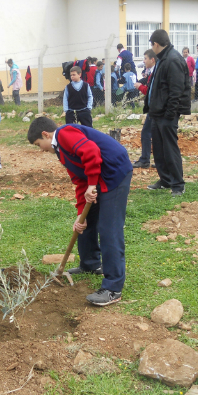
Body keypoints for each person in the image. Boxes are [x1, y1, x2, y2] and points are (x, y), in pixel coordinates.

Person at [28, 117, 132, 306]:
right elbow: (79, 180)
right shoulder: (61, 152)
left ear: (46, 134)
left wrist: (93, 184)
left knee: (109, 229)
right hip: (97, 179)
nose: (41, 149)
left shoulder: (65, 134)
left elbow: (91, 152)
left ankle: (113, 288)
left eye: (38, 144)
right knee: (86, 223)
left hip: (114, 174)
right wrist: (80, 212)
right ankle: (90, 263)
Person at [145, 29, 191, 197]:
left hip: (167, 115)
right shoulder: (162, 59)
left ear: (156, 44)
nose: (152, 48)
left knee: (170, 149)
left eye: (152, 45)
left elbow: (176, 91)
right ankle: (165, 180)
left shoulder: (172, 60)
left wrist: (170, 114)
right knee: (158, 149)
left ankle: (178, 184)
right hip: (157, 113)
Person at [132, 50, 157, 169]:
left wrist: (139, 87)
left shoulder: (155, 72)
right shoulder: (153, 71)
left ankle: (145, 159)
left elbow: (150, 91)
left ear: (152, 60)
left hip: (155, 108)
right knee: (156, 134)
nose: (144, 61)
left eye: (145, 58)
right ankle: (159, 160)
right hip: (156, 107)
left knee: (146, 132)